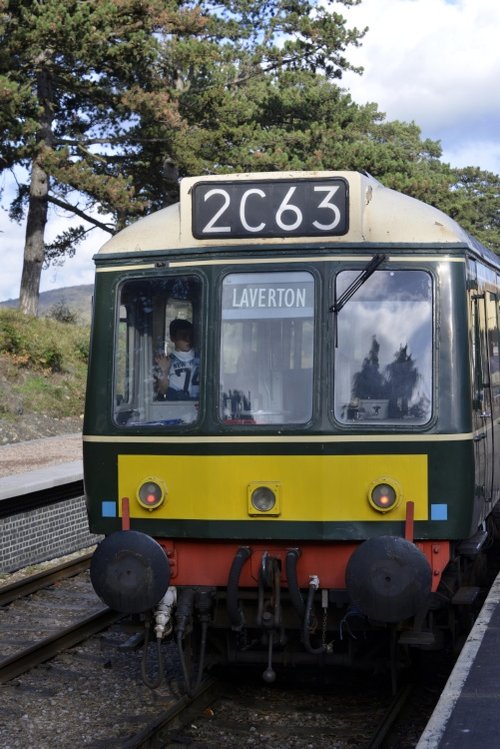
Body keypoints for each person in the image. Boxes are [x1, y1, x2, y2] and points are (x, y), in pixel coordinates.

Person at [154, 319, 200, 400]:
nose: (188, 339)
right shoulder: (167, 361)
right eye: (183, 335)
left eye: (190, 335)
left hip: (197, 405)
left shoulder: (201, 358)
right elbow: (163, 391)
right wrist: (164, 371)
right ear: (173, 338)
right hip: (176, 406)